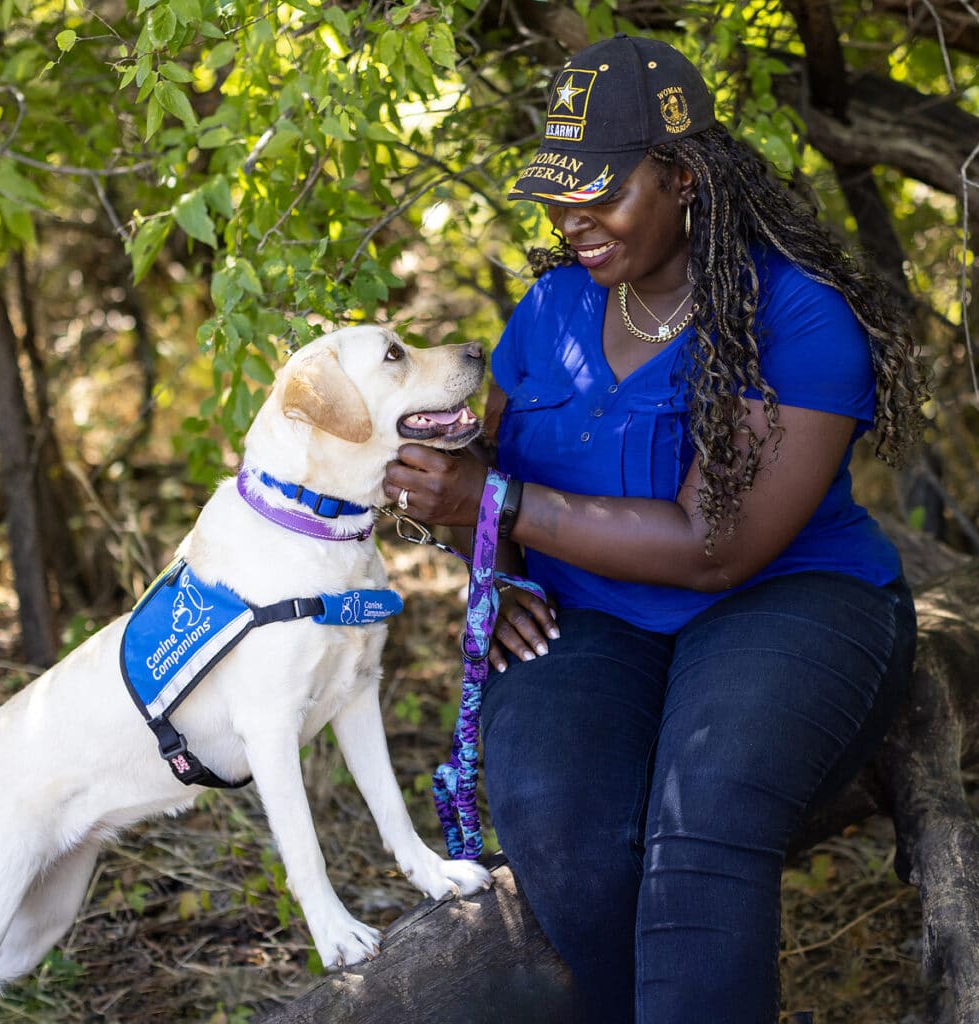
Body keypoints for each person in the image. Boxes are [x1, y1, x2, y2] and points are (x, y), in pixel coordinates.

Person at [383, 33, 928, 1023]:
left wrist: (488, 507)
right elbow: (492, 474)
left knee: (706, 811)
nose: (570, 218)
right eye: (556, 192)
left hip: (790, 602)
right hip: (590, 618)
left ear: (681, 175)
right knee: (560, 825)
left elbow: (715, 545)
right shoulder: (549, 309)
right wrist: (492, 563)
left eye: (601, 191)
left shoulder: (794, 317)